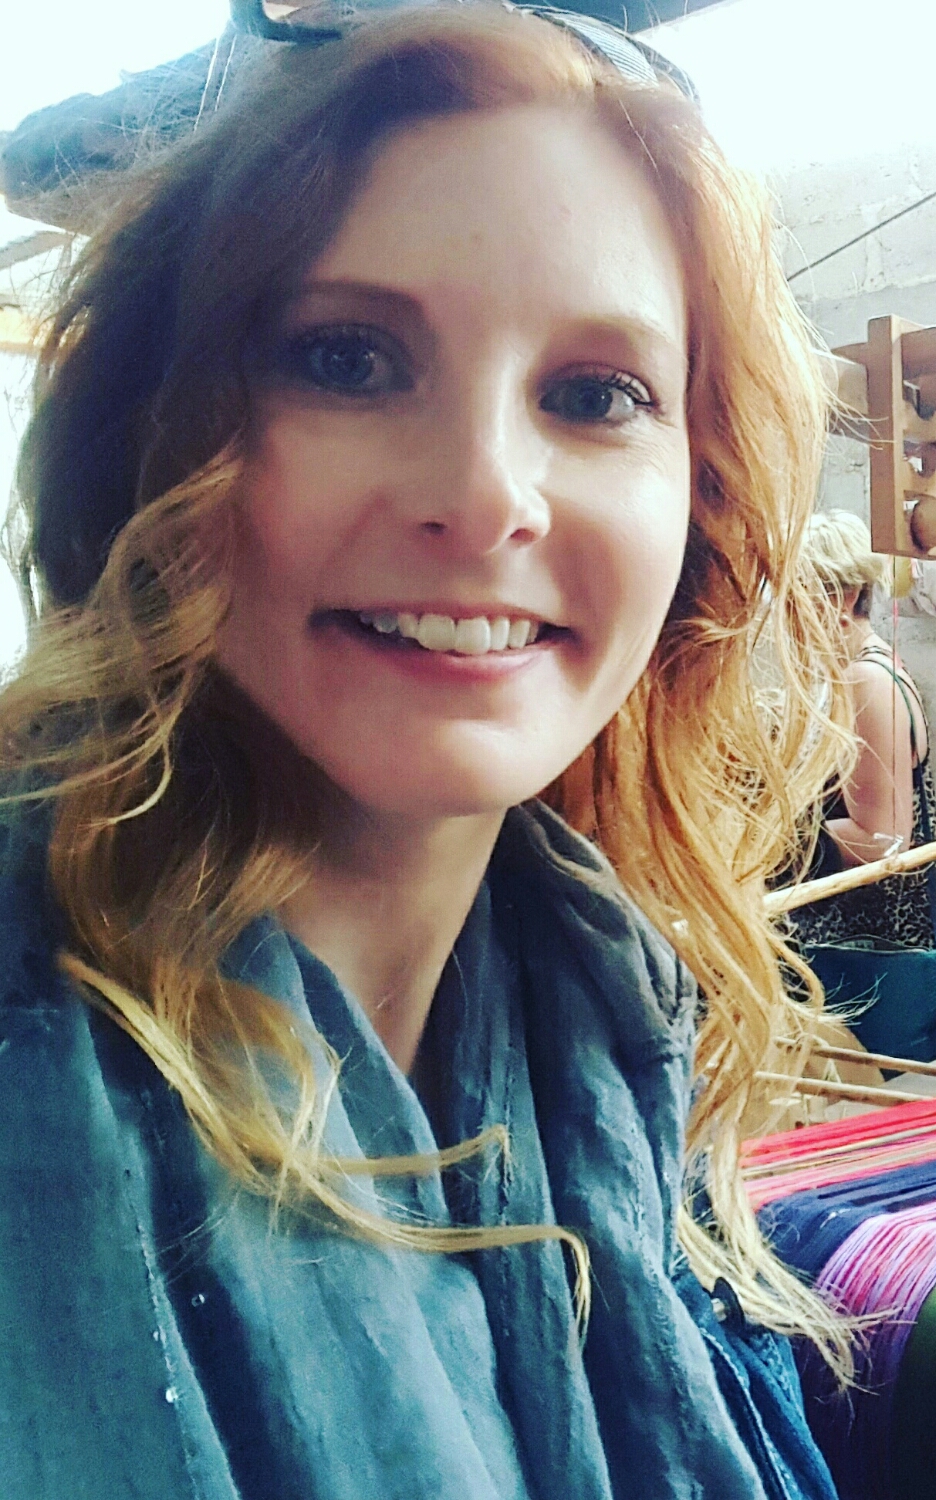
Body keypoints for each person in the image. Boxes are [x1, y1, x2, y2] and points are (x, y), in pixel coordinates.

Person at [0, 8, 849, 1497]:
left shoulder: (614, 1045)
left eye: (595, 395)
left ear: (697, 501)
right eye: (347, 359)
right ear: (155, 437)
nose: (486, 492)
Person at [787, 512, 936, 1053]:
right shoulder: (861, 671)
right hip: (865, 936)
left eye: (796, 600)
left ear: (844, 597)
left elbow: (881, 840)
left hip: (883, 940)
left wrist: (769, 839)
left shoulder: (865, 679)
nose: (785, 620)